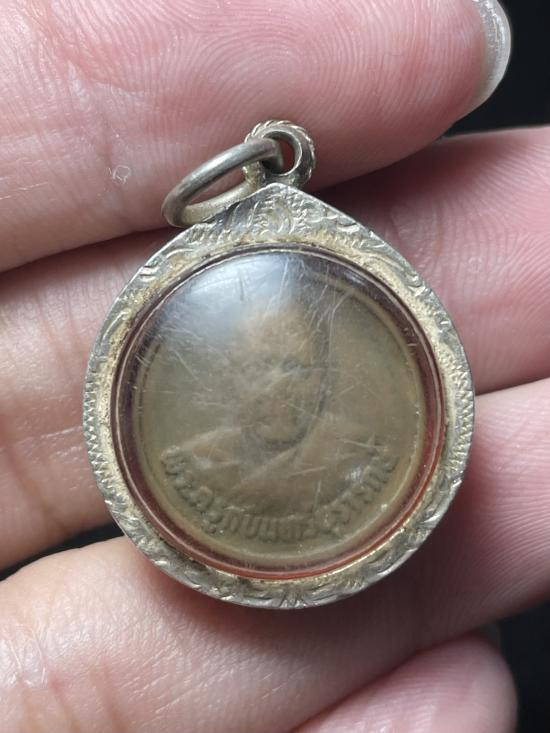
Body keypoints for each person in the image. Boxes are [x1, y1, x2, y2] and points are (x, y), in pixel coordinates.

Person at [0, 0, 547, 730]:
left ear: (322, 375)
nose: (277, 387)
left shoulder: (368, 456)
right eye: (256, 367)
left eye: (295, 367)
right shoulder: (190, 461)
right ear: (223, 377)